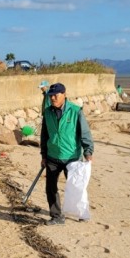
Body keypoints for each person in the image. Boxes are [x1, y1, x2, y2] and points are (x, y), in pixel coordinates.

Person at [40, 83, 94, 225]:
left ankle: (81, 212)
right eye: (50, 95)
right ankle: (56, 216)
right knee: (50, 188)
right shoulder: (47, 113)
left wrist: (88, 152)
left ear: (64, 94)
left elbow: (85, 133)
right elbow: (44, 136)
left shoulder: (76, 111)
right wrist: (43, 156)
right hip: (52, 156)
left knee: (77, 186)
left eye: (55, 95)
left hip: (72, 157)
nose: (52, 98)